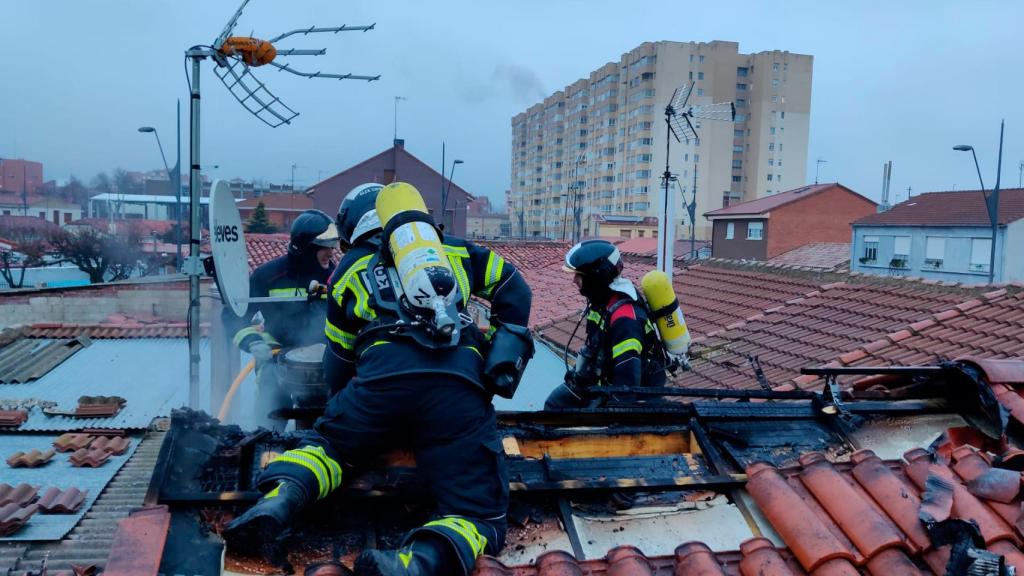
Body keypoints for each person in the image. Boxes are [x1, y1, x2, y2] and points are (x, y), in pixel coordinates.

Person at [224, 182, 534, 576]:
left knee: (328, 447)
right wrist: (500, 353)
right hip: (458, 390)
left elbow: (338, 359)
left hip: (380, 385)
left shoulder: (349, 267)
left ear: (352, 227)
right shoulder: (455, 251)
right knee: (480, 513)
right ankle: (413, 563)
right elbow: (516, 290)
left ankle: (280, 499)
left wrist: (355, 417)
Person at [223, 209, 338, 430]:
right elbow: (232, 315)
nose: (331, 252)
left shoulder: (335, 278)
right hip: (275, 364)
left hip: (321, 369)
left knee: (316, 432)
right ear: (305, 248)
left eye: (333, 245)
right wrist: (253, 342)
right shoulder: (269, 276)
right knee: (269, 428)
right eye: (325, 246)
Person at [544, 239, 671, 409]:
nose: (574, 280)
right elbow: (594, 349)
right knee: (554, 404)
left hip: (630, 398)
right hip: (603, 386)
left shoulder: (625, 318)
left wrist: (600, 415)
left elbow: (626, 388)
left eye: (579, 275)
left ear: (597, 276)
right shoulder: (602, 303)